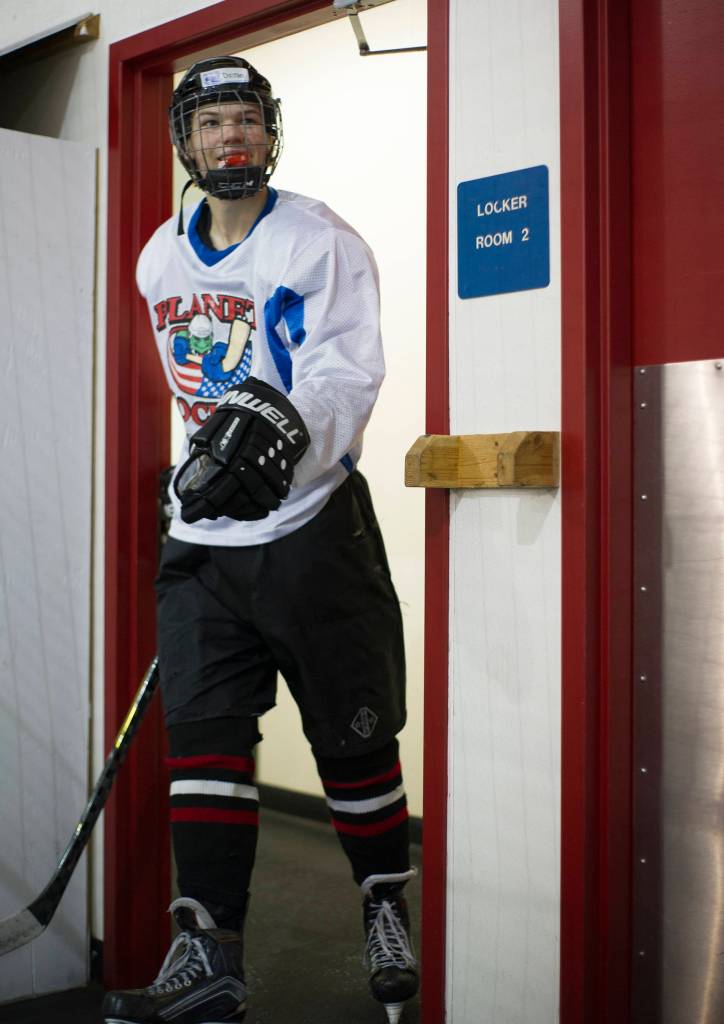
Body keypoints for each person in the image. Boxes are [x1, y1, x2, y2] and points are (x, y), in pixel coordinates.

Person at [102, 56, 417, 1024]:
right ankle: (208, 954)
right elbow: (195, 388)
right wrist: (201, 477)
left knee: (351, 736)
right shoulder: (160, 256)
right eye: (210, 123)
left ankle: (382, 905)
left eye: (245, 119)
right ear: (184, 142)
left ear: (271, 133)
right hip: (204, 543)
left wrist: (278, 438)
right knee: (203, 747)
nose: (229, 137)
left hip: (312, 527)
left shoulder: (318, 241)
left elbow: (344, 372)